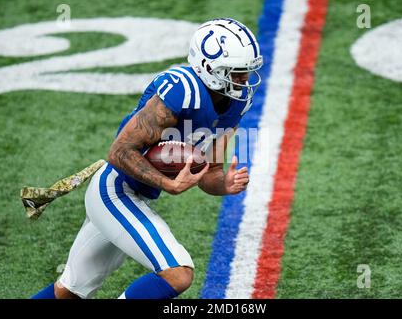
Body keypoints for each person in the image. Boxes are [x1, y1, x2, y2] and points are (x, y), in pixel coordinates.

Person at [32, 18, 263, 299]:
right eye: (237, 72)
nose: (244, 80)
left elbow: (211, 171)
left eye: (246, 72)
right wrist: (169, 185)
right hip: (115, 190)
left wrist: (224, 184)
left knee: (68, 292)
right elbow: (119, 152)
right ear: (209, 66)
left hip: (134, 195)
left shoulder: (237, 102)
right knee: (178, 272)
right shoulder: (182, 89)